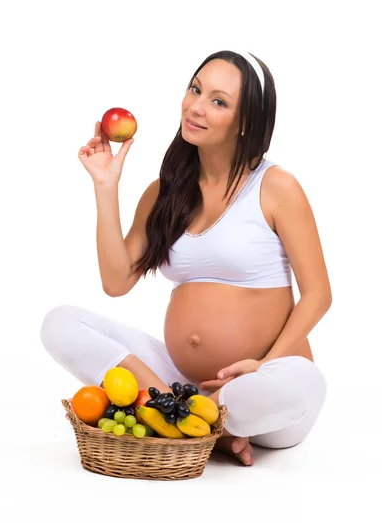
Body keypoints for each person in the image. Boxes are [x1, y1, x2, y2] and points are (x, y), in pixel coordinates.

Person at [41, 50, 331, 466]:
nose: (196, 106)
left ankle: (196, 422)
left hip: (262, 385)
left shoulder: (275, 186)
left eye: (218, 101)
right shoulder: (165, 192)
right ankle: (182, 416)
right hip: (179, 384)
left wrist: (263, 363)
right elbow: (116, 282)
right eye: (195, 89)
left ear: (246, 121)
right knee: (60, 323)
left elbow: (318, 294)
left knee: (302, 381)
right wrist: (106, 187)